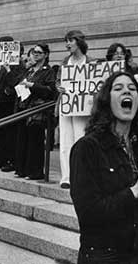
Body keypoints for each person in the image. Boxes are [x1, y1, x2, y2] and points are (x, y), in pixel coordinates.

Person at [70, 72, 138, 264]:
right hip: (103, 256)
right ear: (106, 101)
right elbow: (88, 214)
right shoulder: (87, 148)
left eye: (132, 89)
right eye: (118, 88)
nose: (126, 92)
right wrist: (135, 191)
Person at [57, 30, 95, 189]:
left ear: (79, 42)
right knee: (65, 140)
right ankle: (66, 176)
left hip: (83, 107)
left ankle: (82, 174)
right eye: (66, 41)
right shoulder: (65, 62)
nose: (67, 44)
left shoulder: (91, 62)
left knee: (81, 138)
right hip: (67, 105)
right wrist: (59, 87)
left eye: (70, 40)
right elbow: (58, 81)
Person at [13, 43, 56, 179]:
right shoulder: (29, 70)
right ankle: (22, 169)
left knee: (35, 142)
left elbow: (50, 91)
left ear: (46, 55)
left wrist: (32, 85)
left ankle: (35, 171)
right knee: (22, 140)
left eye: (39, 52)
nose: (36, 54)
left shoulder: (47, 71)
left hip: (37, 110)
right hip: (23, 107)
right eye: (34, 52)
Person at [0, 36, 26, 171]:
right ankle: (1, 159)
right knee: (1, 133)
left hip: (9, 103)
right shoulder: (2, 65)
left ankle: (11, 160)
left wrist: (8, 90)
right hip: (0, 102)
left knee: (10, 133)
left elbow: (16, 82)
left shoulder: (18, 64)